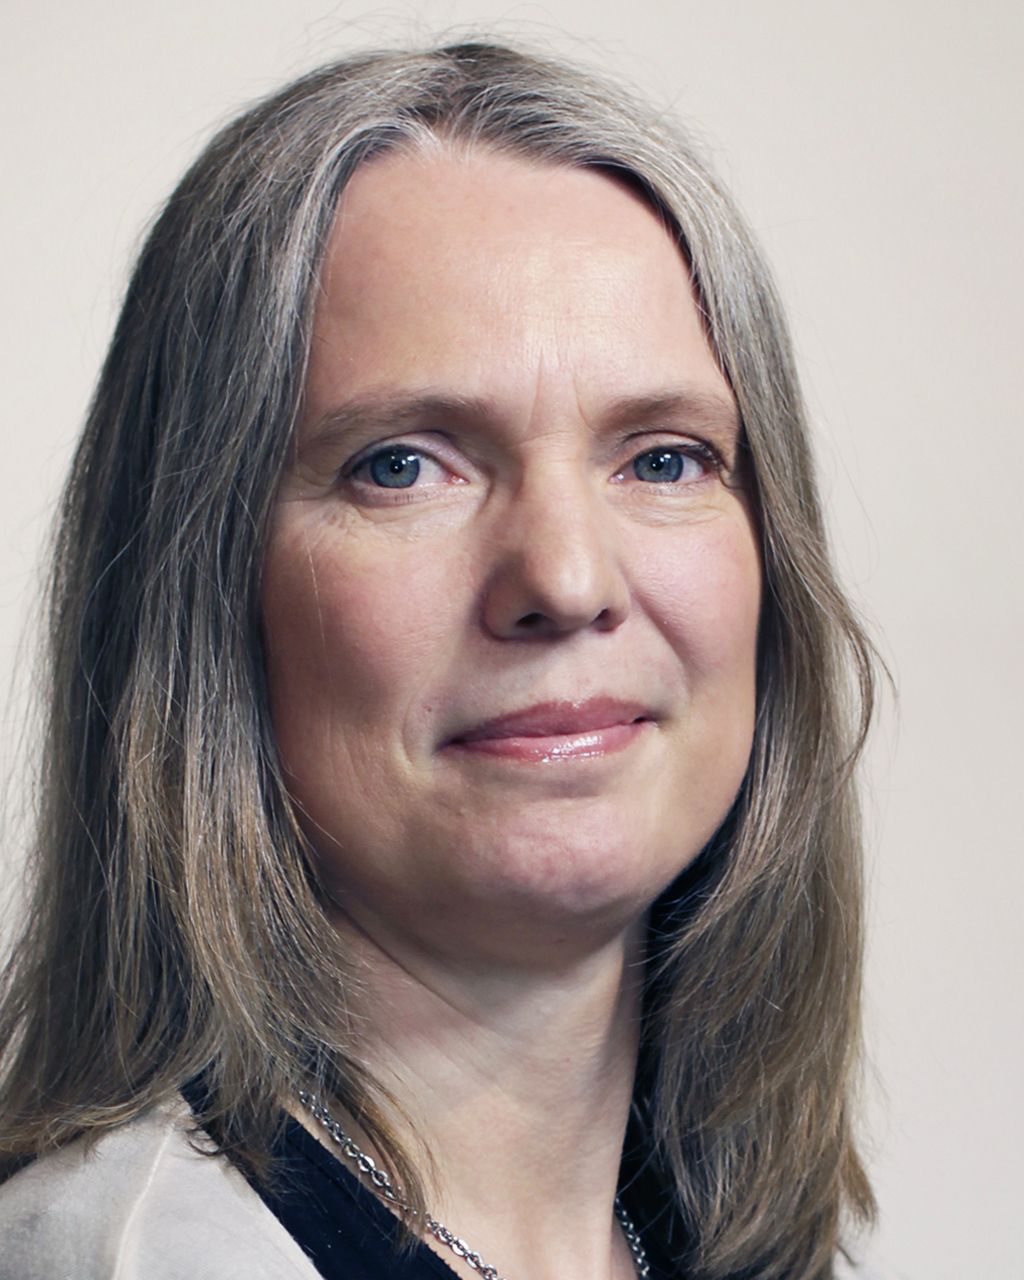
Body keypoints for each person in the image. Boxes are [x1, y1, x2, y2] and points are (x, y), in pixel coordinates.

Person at [0, 39, 880, 1280]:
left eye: (662, 457)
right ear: (203, 596)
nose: (566, 578)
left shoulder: (691, 1240)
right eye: (403, 464)